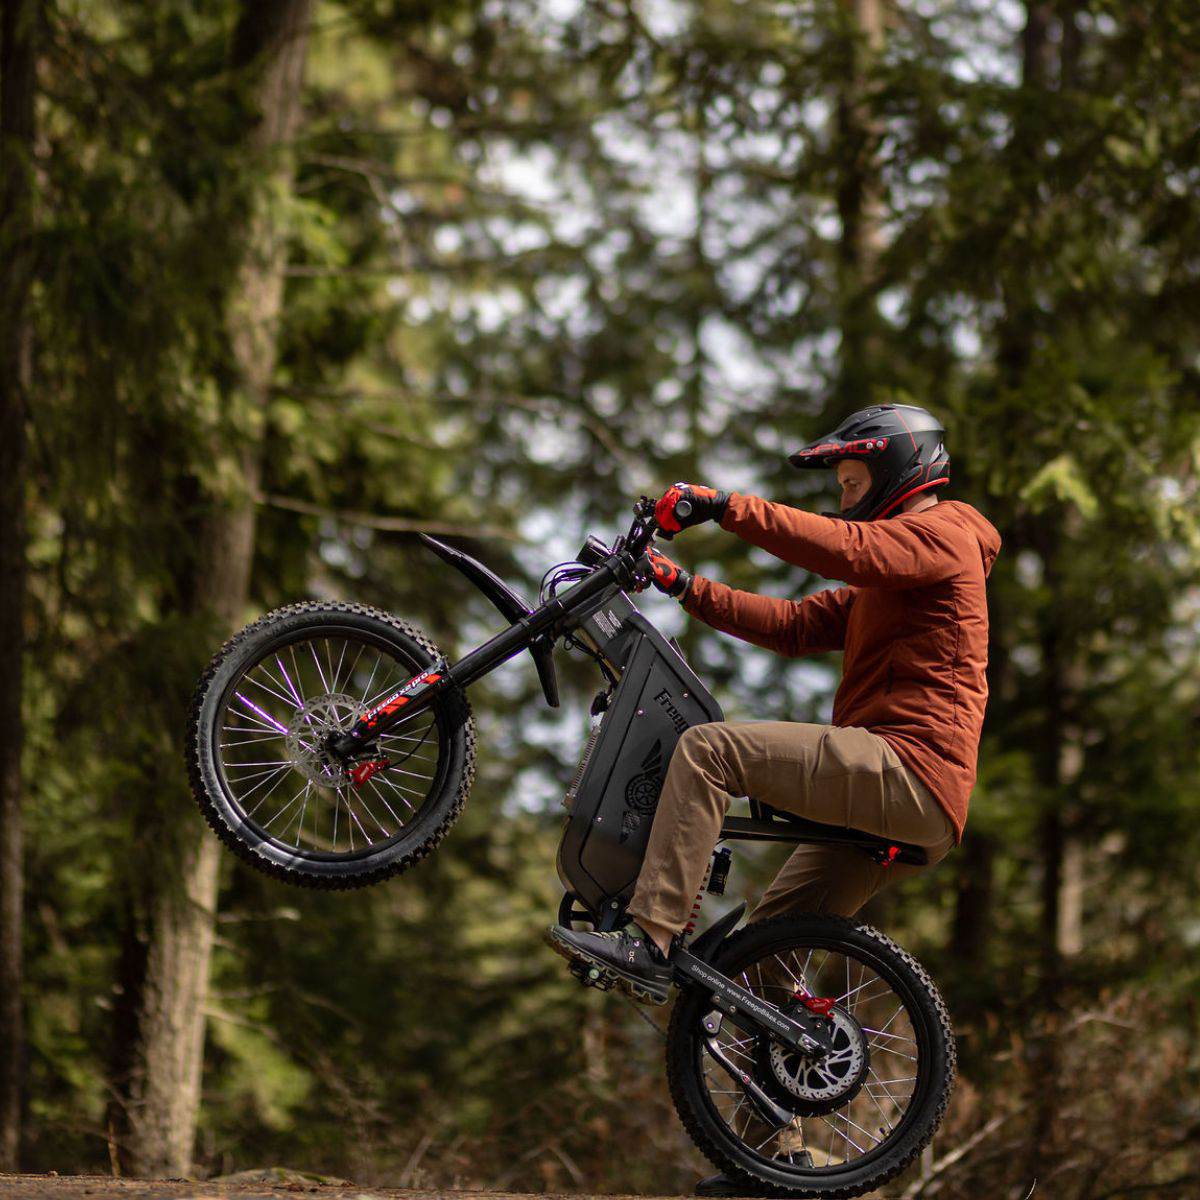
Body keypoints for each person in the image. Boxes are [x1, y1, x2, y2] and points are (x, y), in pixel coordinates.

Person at [549, 403, 1001, 1012]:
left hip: (909, 771)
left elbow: (850, 549)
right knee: (759, 966)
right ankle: (792, 1066)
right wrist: (683, 586)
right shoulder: (893, 578)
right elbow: (793, 625)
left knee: (709, 751)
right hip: (899, 795)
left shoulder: (945, 534)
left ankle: (652, 938)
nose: (843, 500)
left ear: (897, 468)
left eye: (851, 484)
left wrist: (724, 507)